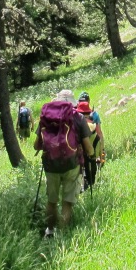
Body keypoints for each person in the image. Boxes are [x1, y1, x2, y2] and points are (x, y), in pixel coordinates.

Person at [35, 89, 94, 237]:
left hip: (50, 165)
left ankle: (50, 231)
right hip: (71, 164)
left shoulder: (46, 117)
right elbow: (88, 147)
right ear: (72, 103)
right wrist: (91, 153)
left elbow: (37, 145)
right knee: (67, 202)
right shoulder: (78, 117)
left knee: (52, 201)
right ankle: (62, 235)